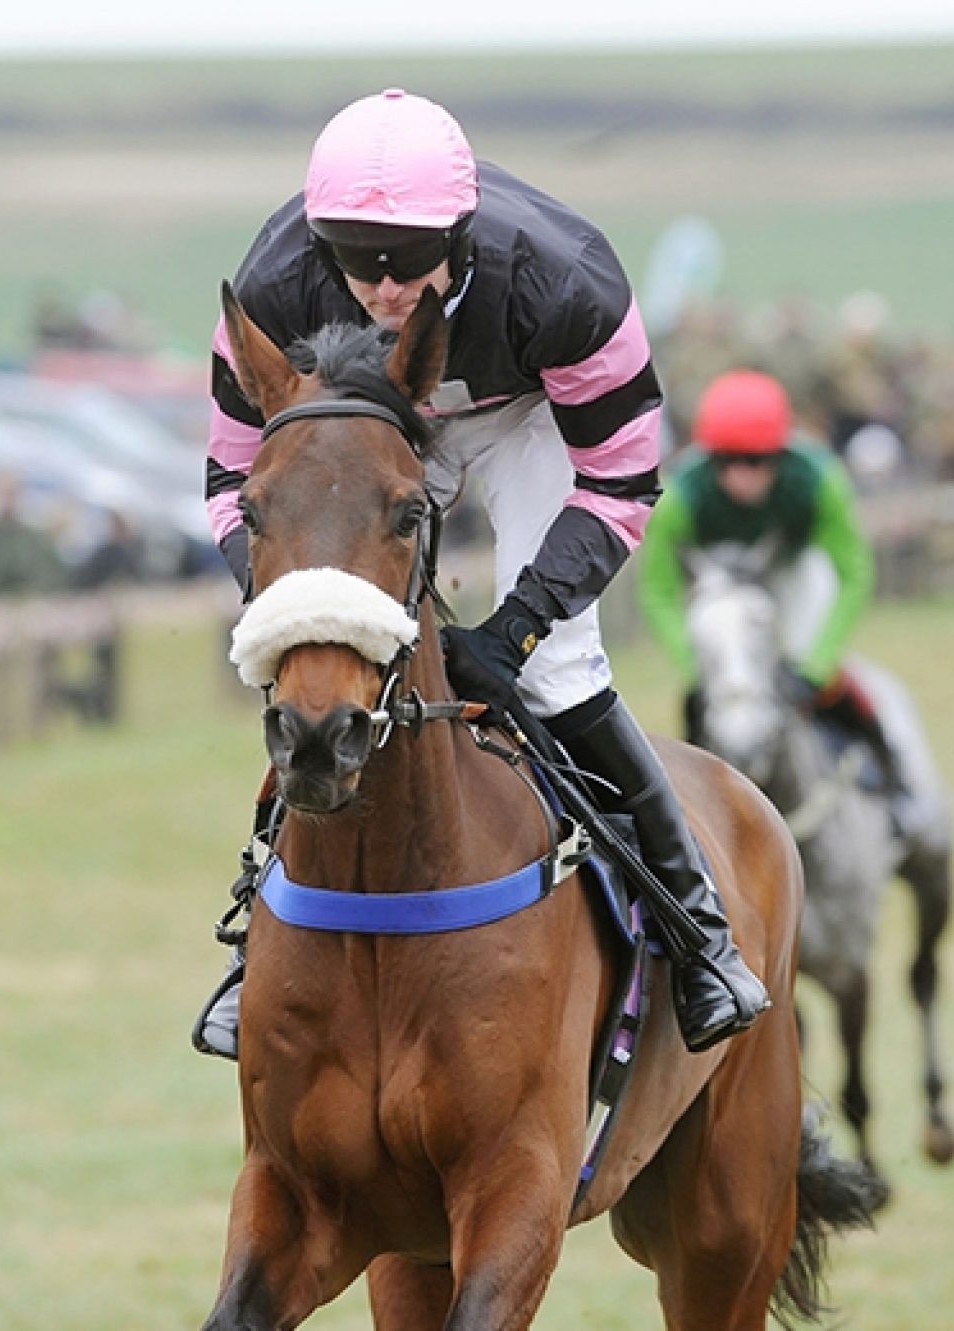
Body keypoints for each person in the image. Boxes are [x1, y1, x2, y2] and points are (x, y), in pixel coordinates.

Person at [196, 89, 769, 1058]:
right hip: (364, 425)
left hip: (531, 420)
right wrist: (297, 603)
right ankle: (257, 941)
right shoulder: (275, 284)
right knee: (325, 670)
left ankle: (698, 928)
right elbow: (230, 481)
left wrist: (517, 628)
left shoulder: (568, 285)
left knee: (557, 669)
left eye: (410, 262)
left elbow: (622, 481)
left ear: (459, 236)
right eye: (357, 261)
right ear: (321, 247)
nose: (384, 290)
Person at [635, 369, 916, 828]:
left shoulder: (819, 479)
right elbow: (659, 591)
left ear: (780, 455)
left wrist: (817, 666)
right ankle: (687, 808)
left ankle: (894, 780)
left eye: (758, 461)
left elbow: (854, 574)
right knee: (714, 688)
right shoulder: (679, 496)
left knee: (821, 676)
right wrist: (695, 665)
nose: (743, 476)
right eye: (729, 461)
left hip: (794, 573)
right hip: (718, 585)